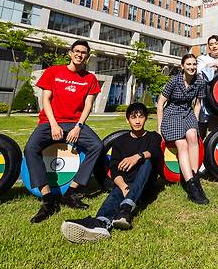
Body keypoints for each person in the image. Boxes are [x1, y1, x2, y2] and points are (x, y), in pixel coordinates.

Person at [24, 39, 103, 223]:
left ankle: (71, 192)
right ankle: (48, 198)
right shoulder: (53, 71)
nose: (79, 54)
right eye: (76, 51)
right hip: (50, 122)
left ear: (87, 56)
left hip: (75, 123)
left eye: (83, 52)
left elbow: (88, 106)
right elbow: (46, 100)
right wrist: (53, 124)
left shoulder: (90, 78)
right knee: (30, 148)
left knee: (97, 146)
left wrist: (78, 127)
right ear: (70, 53)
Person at [60, 103, 162, 242]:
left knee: (147, 161)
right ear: (127, 120)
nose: (137, 121)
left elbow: (156, 152)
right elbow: (114, 169)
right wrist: (124, 188)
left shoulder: (153, 137)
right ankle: (100, 223)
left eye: (141, 117)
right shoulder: (120, 142)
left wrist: (138, 156)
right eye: (133, 117)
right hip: (126, 184)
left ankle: (125, 209)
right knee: (116, 192)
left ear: (146, 118)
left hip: (145, 186)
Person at [157, 53, 209, 205]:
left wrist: (195, 122)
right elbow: (160, 103)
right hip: (171, 114)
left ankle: (194, 177)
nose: (192, 67)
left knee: (193, 136)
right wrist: (159, 128)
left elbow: (198, 104)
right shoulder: (174, 81)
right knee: (182, 144)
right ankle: (192, 188)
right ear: (182, 66)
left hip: (187, 113)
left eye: (194, 64)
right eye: (189, 64)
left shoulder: (200, 82)